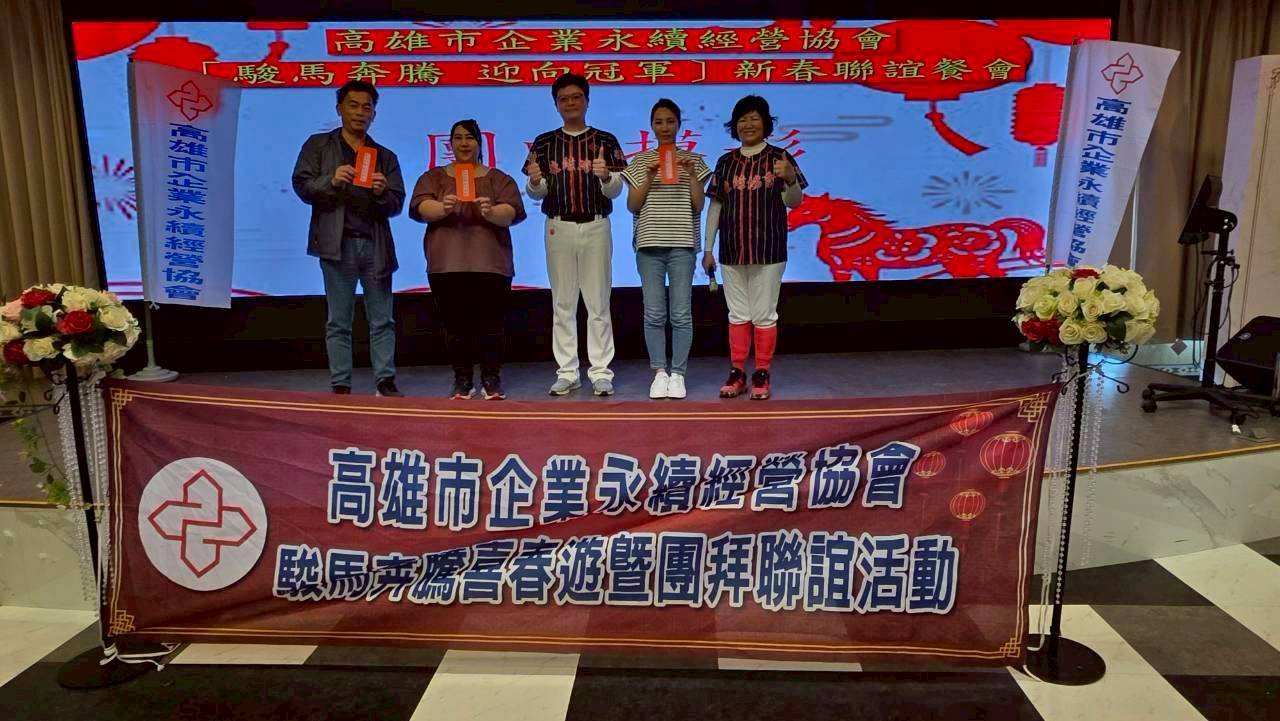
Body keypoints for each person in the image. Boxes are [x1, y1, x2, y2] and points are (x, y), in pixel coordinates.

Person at [292, 80, 406, 397]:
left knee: (382, 319)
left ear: (374, 114)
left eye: (367, 107)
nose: (360, 112)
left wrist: (382, 193)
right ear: (339, 109)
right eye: (353, 105)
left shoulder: (384, 156)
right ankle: (341, 382)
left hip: (375, 245)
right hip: (337, 243)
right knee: (338, 320)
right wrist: (331, 180)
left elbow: (397, 203)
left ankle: (385, 379)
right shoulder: (318, 145)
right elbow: (302, 186)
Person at [523, 73, 627, 396]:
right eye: (563, 99)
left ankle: (601, 372)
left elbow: (615, 191)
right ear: (556, 105)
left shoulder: (605, 140)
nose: (570, 103)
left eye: (576, 97)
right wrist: (535, 182)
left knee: (598, 301)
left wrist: (606, 176)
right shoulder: (543, 143)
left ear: (587, 100)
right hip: (559, 226)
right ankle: (567, 371)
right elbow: (536, 192)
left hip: (596, 224)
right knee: (563, 302)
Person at [409, 119, 527, 400]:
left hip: (490, 264)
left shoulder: (498, 178)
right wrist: (442, 207)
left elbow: (511, 212)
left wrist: (491, 212)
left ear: (479, 142)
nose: (464, 143)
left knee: (492, 325)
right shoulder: (434, 177)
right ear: (450, 143)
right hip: (447, 263)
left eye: (470, 138)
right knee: (455, 326)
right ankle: (462, 379)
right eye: (458, 138)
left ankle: (491, 378)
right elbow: (421, 208)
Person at [703, 95, 808, 400]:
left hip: (769, 249)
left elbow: (794, 202)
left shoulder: (780, 158)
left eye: (754, 118)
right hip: (731, 249)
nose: (748, 124)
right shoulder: (725, 163)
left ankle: (762, 373)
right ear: (734, 126)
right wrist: (708, 249)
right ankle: (737, 372)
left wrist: (791, 180)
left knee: (764, 314)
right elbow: (715, 207)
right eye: (742, 119)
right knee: (737, 314)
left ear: (765, 124)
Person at [621, 99, 710, 400]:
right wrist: (648, 176)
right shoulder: (640, 161)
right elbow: (633, 205)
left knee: (681, 313)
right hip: (649, 245)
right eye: (659, 122)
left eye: (670, 121)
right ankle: (659, 372)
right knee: (654, 313)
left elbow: (698, 205)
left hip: (682, 244)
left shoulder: (694, 161)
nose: (665, 127)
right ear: (651, 126)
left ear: (679, 125)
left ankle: (678, 374)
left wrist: (692, 175)